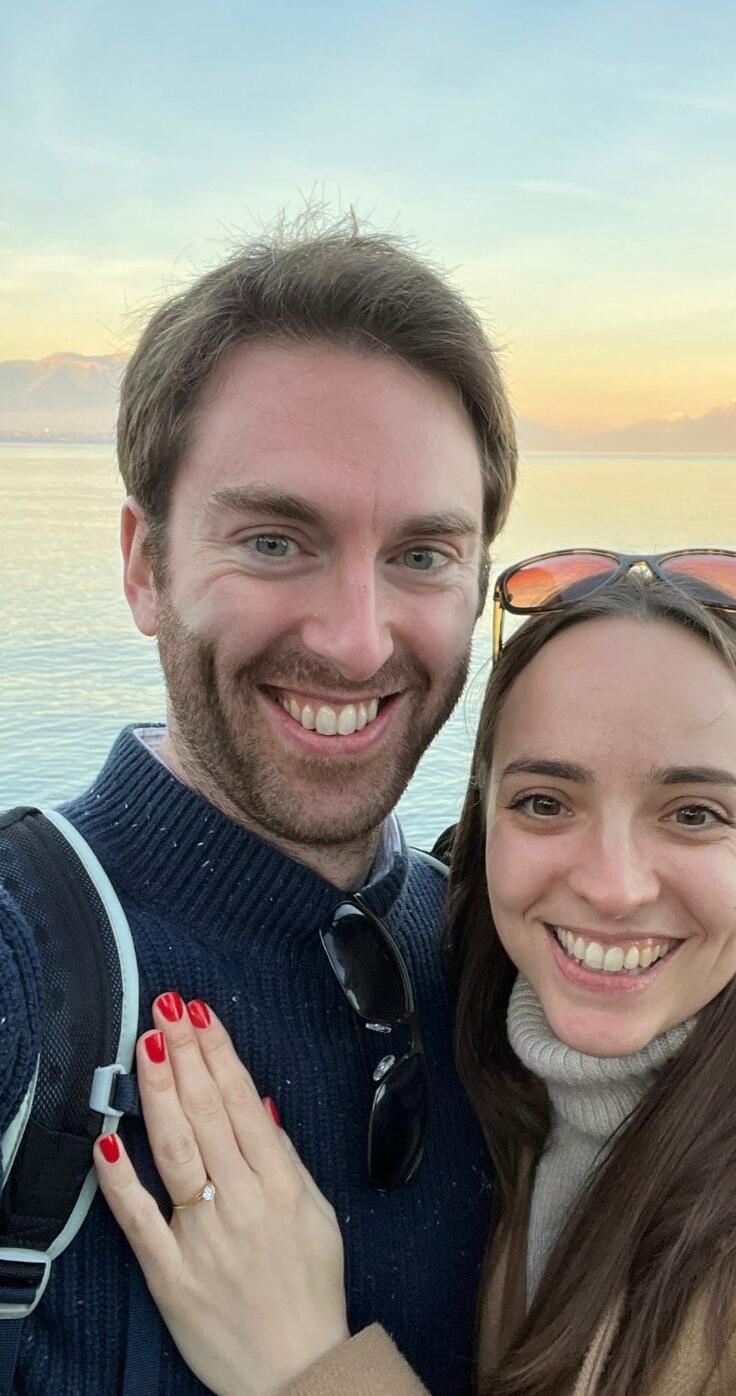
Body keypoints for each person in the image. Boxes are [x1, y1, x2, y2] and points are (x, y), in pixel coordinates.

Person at [95, 552, 736, 1395]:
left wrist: (303, 1362)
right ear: (484, 820)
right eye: (546, 802)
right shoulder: (515, 1076)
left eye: (693, 814)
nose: (611, 886)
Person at [0, 218, 518, 1394]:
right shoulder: (28, 979)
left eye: (423, 555)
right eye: (276, 540)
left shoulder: (508, 970)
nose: (357, 640)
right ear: (145, 566)